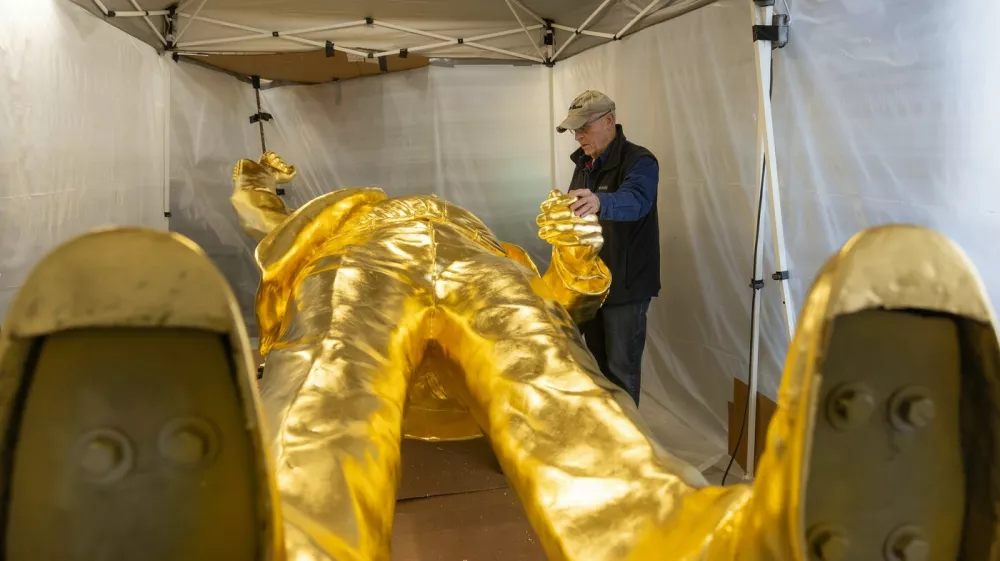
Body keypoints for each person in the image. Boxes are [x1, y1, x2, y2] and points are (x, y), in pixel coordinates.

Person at [0, 153, 988, 561]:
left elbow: (572, 306)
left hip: (482, 282)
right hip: (359, 274)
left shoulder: (485, 238)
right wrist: (256, 188)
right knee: (329, 374)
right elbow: (264, 224)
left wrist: (571, 251)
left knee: (555, 382)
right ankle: (281, 534)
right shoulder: (339, 221)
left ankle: (705, 541)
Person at [556, 90, 660, 405]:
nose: (577, 136)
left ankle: (631, 445)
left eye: (583, 128)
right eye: (574, 130)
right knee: (597, 369)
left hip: (626, 288)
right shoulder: (584, 163)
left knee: (621, 372)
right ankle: (610, 437)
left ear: (609, 122)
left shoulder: (640, 161)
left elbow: (636, 200)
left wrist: (601, 201)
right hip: (591, 287)